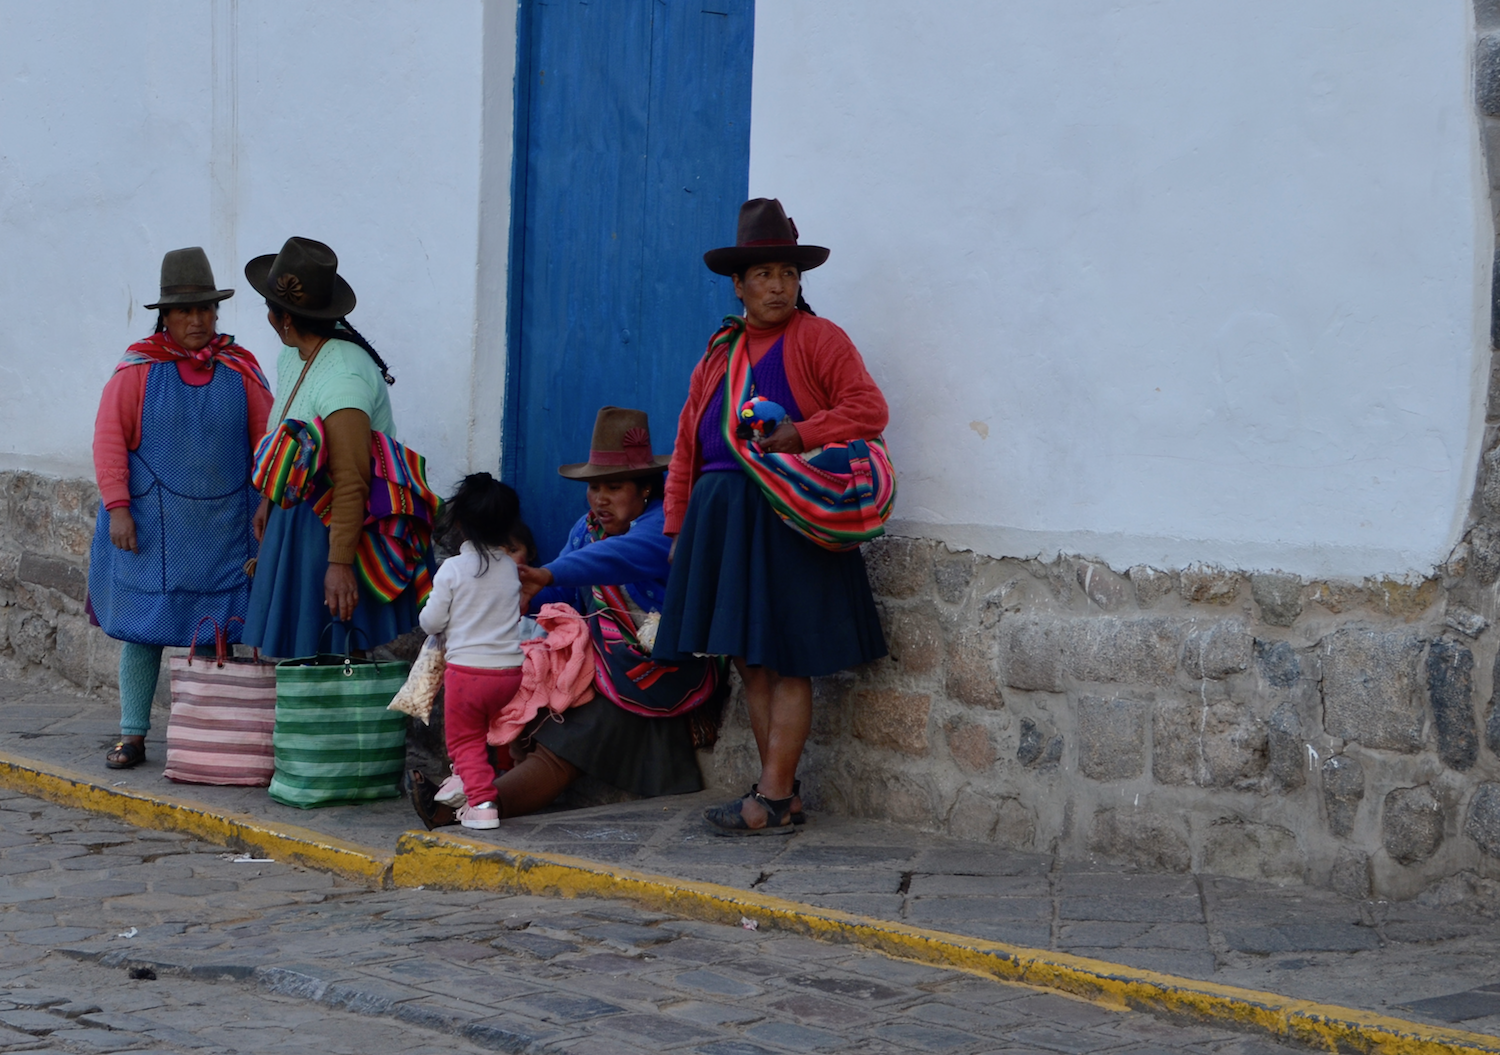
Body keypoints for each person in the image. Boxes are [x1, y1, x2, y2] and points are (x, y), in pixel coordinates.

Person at [654, 199, 890, 834]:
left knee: (783, 659)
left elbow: (868, 410)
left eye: (787, 273)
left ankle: (774, 796)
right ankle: (776, 793)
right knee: (749, 660)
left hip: (786, 514)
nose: (777, 285)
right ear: (738, 284)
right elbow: (686, 448)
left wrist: (802, 432)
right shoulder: (719, 355)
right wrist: (676, 529)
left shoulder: (819, 339)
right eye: (763, 274)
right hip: (722, 519)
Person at [410, 407, 724, 827]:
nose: (600, 499)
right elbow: (553, 594)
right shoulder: (587, 529)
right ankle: (476, 791)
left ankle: (473, 807)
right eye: (594, 488)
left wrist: (547, 574)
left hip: (655, 673)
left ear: (646, 490)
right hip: (603, 667)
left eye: (614, 487)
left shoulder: (665, 527)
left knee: (571, 738)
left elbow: (613, 559)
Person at [88, 247, 273, 769]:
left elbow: (268, 444)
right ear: (164, 317)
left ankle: (216, 735)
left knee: (221, 630)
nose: (197, 320)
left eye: (206, 310)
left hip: (225, 528)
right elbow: (108, 441)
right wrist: (118, 507)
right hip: (150, 525)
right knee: (144, 629)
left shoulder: (240, 370)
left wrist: (272, 504)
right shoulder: (137, 371)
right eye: (185, 311)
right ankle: (133, 735)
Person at [240, 236, 432, 657]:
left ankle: (340, 724)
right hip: (296, 520)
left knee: (333, 650)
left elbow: (351, 479)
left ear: (285, 318)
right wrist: (267, 503)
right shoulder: (294, 356)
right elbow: (289, 442)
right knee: (304, 653)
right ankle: (308, 722)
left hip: (331, 527)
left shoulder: (344, 377)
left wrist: (339, 563)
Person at [417, 474, 528, 830]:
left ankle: (481, 803)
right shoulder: (510, 568)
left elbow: (431, 622)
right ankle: (468, 782)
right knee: (484, 736)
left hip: (468, 676)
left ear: (460, 524)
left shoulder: (451, 569)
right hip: (510, 674)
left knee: (464, 740)